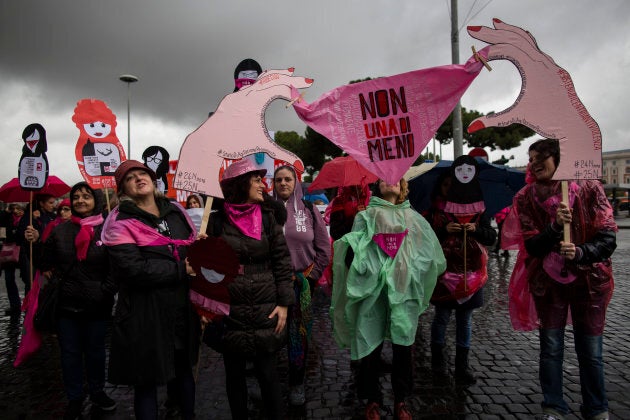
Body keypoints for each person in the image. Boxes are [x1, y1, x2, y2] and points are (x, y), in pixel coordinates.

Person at [503, 139, 616, 420]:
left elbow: (608, 237)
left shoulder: (589, 187)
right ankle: (553, 406)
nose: (534, 163)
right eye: (531, 158)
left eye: (541, 157)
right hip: (549, 283)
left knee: (590, 350)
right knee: (551, 347)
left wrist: (580, 252)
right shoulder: (525, 197)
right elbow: (531, 246)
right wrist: (554, 228)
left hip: (589, 283)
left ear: (559, 158)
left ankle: (597, 408)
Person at [331, 178, 445, 420]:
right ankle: (372, 400)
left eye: (396, 178)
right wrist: (369, 262)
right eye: (384, 178)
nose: (390, 181)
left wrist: (406, 272)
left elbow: (426, 256)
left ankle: (401, 400)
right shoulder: (365, 216)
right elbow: (353, 256)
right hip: (372, 293)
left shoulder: (413, 219)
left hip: (403, 292)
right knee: (370, 347)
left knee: (403, 346)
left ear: (403, 186)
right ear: (377, 186)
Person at [102, 160, 200, 420]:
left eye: (142, 173)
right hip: (143, 314)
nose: (138, 178)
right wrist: (180, 270)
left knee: (184, 372)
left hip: (180, 309)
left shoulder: (177, 212)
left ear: (152, 178)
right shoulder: (120, 223)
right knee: (146, 383)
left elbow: (190, 249)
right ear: (123, 190)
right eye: (130, 177)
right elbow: (132, 270)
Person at [208, 158, 294, 420]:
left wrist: (283, 304)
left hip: (265, 305)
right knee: (234, 376)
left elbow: (282, 262)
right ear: (241, 183)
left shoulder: (268, 218)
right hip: (230, 306)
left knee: (268, 374)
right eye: (256, 179)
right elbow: (207, 269)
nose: (263, 184)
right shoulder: (217, 221)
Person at [24, 183, 117, 419]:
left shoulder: (109, 230)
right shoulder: (60, 230)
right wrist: (35, 241)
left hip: (97, 305)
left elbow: (116, 268)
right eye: (76, 197)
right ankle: (74, 397)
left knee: (95, 352)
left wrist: (104, 291)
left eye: (86, 196)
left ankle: (97, 391)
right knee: (70, 354)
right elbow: (45, 263)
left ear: (95, 200)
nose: (80, 201)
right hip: (67, 305)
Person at [425, 157, 496, 385]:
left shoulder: (477, 210)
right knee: (442, 317)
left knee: (465, 320)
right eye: (446, 185)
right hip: (445, 275)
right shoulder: (434, 212)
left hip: (472, 272)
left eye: (452, 184)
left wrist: (475, 229)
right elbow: (426, 240)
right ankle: (437, 362)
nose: (450, 188)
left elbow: (491, 237)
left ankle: (462, 366)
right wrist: (444, 229)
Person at [272, 165, 331, 406]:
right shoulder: (265, 211)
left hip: (302, 284)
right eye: (278, 180)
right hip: (272, 284)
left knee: (298, 335)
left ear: (296, 183)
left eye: (288, 179)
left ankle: (297, 383)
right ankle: (264, 379)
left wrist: (310, 277)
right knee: (271, 333)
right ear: (273, 184)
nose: (283, 183)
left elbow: (324, 249)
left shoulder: (309, 210)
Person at [1, 203, 25, 315]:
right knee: (9, 278)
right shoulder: (7, 218)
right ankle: (15, 305)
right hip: (9, 252)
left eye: (18, 208)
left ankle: (28, 304)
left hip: (23, 251)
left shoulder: (26, 219)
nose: (16, 210)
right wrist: (6, 212)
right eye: (13, 208)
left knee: (27, 279)